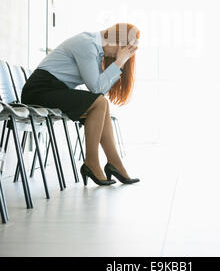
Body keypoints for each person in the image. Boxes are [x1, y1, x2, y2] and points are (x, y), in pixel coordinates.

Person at [21, 23, 140, 186]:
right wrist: (119, 62)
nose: (122, 54)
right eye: (125, 49)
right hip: (39, 91)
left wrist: (119, 61)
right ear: (117, 41)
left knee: (101, 104)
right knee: (99, 103)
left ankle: (114, 163)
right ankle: (91, 162)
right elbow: (97, 88)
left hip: (54, 89)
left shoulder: (96, 52)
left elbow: (99, 90)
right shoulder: (87, 44)